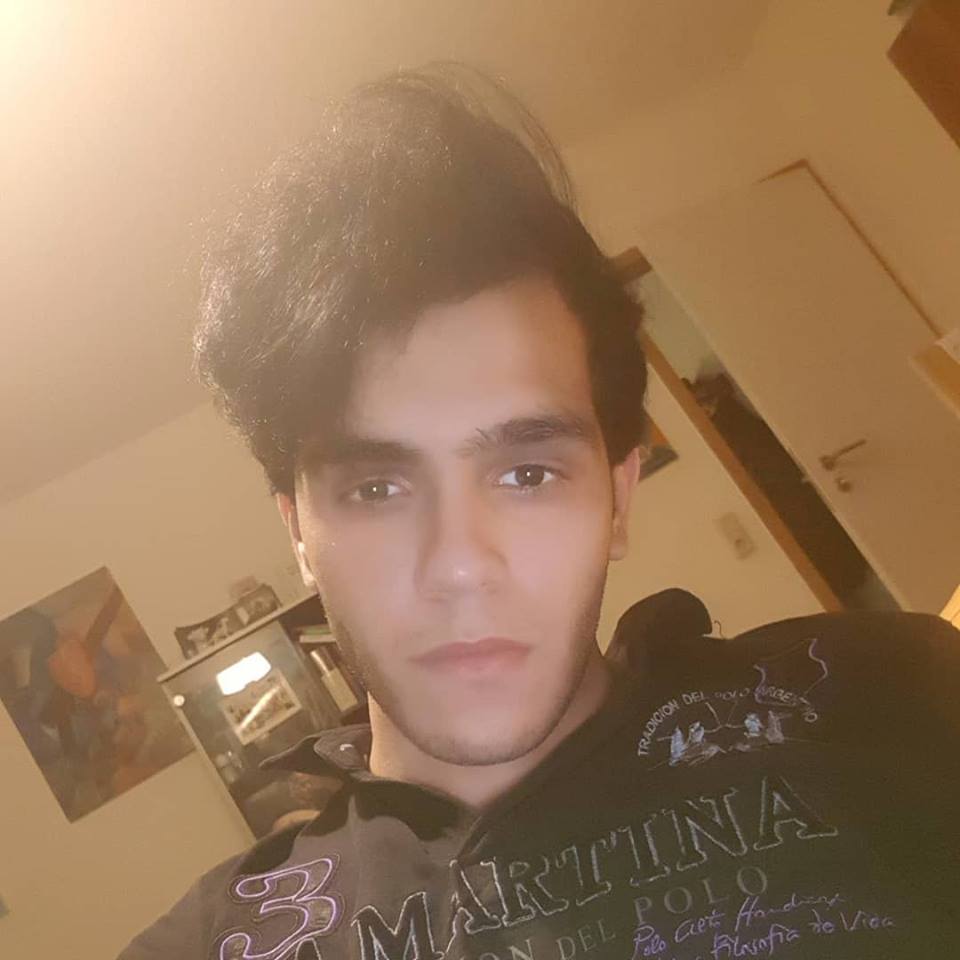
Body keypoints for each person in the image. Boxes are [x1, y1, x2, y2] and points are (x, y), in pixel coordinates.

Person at [119, 67, 960, 959]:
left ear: (619, 498)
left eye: (526, 474)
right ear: (299, 532)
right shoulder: (215, 942)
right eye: (376, 489)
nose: (459, 564)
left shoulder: (887, 702)